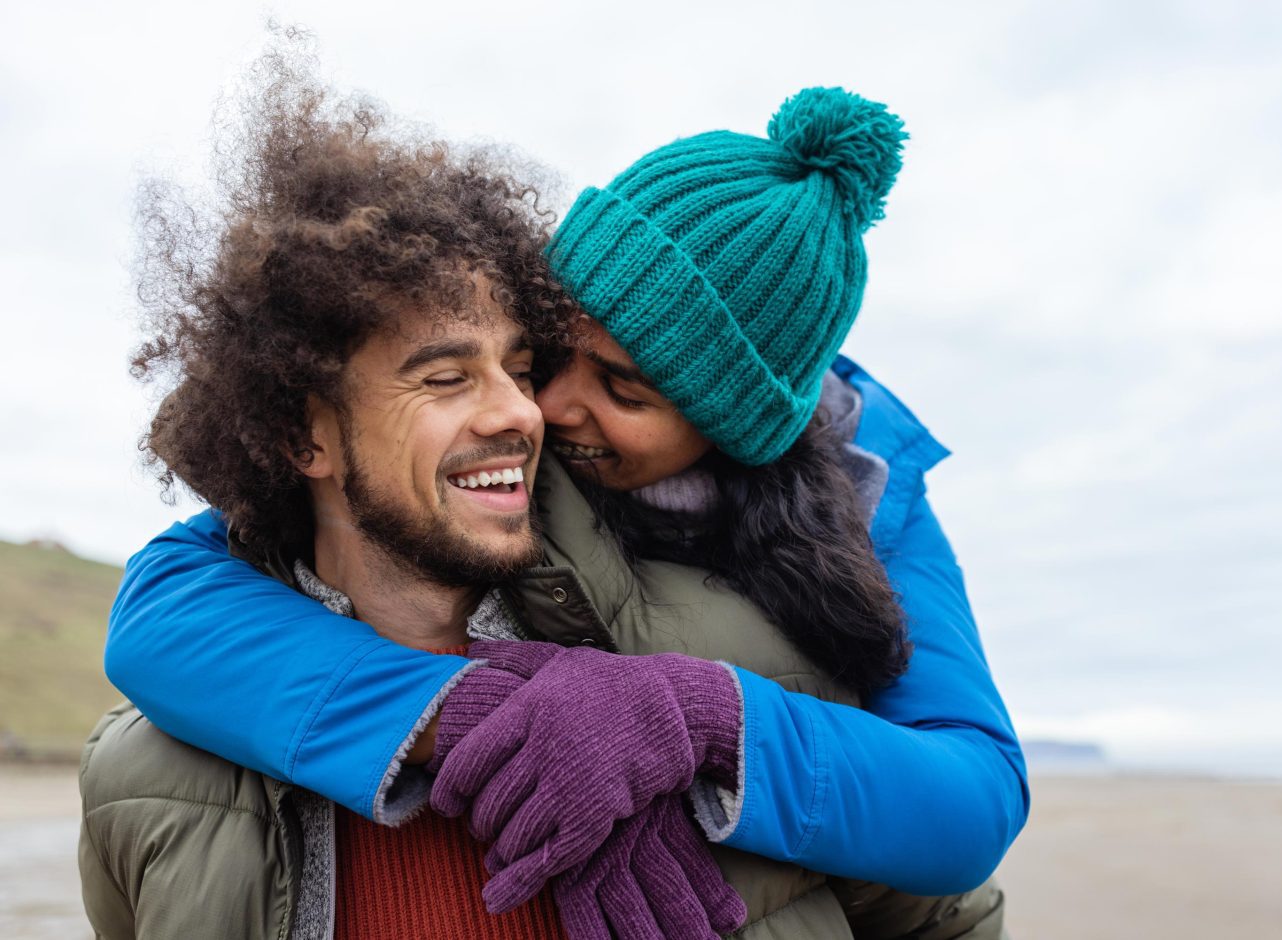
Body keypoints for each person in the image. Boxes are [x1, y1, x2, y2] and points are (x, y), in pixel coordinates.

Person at [101, 78, 1027, 937]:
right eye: (550, 351)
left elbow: (970, 802)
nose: (539, 407)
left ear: (725, 430)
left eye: (623, 388)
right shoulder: (497, 452)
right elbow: (168, 603)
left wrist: (696, 716)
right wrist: (456, 716)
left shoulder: (869, 519)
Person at [78, 58, 746, 940]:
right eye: (443, 377)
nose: (519, 411)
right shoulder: (138, 774)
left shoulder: (719, 659)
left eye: (516, 367)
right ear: (302, 439)